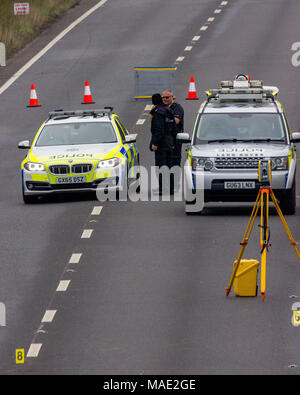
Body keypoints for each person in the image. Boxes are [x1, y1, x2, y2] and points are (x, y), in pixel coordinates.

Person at [149, 93, 175, 195]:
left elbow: (159, 130)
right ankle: (171, 188)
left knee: (160, 166)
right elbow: (173, 127)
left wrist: (155, 143)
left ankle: (162, 188)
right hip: (169, 141)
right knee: (170, 165)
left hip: (161, 142)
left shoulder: (157, 112)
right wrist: (173, 142)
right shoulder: (169, 110)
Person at [161, 90, 184, 167]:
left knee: (175, 162)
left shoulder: (177, 107)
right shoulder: (162, 107)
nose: (164, 99)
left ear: (172, 97)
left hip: (175, 139)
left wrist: (163, 120)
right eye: (163, 97)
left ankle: (175, 178)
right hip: (165, 139)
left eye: (167, 97)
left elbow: (176, 121)